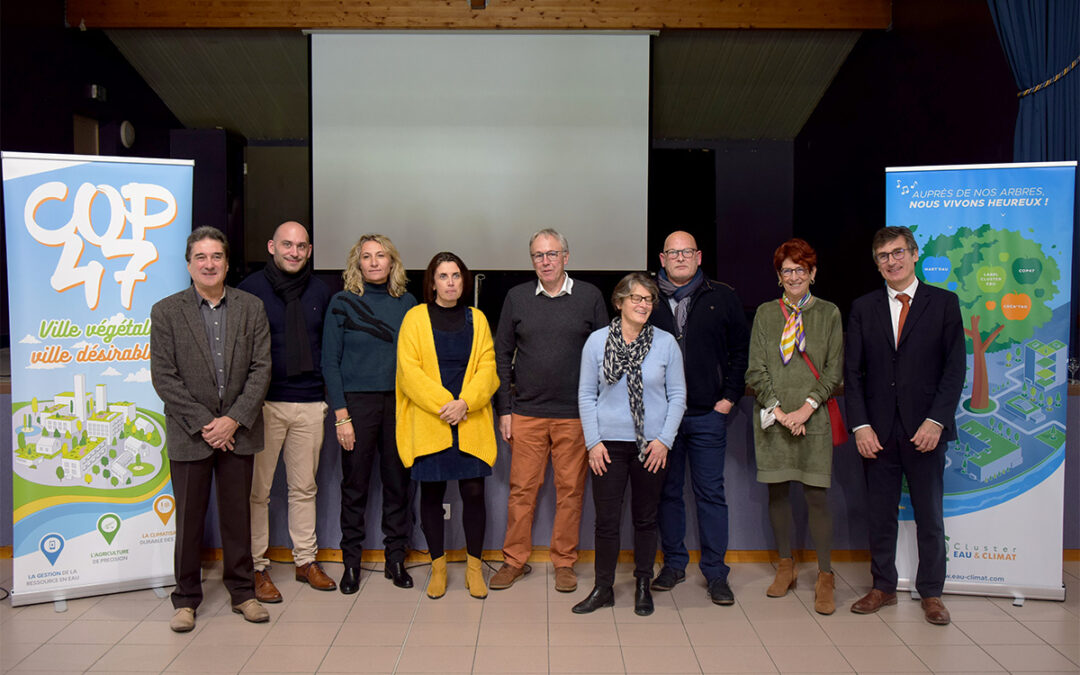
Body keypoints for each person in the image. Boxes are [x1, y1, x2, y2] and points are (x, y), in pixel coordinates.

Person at [150, 226, 272, 633]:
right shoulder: (166, 311)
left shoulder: (251, 308)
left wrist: (232, 419)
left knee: (238, 517)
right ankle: (185, 600)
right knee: (188, 521)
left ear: (226, 261)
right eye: (200, 257)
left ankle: (243, 593)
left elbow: (261, 370)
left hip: (238, 430)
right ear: (189, 264)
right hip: (191, 434)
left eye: (216, 256)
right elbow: (164, 377)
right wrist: (208, 424)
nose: (208, 264)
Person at [844, 226, 964, 625]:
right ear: (876, 263)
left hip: (925, 430)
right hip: (877, 432)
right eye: (883, 256)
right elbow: (853, 372)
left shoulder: (944, 304)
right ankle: (883, 587)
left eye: (898, 253)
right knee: (880, 514)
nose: (891, 262)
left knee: (930, 514)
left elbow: (954, 370)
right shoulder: (864, 307)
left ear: (914, 255)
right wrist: (860, 425)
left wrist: (936, 421)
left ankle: (932, 593)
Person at [490, 229, 608, 593]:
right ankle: (513, 560)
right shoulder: (516, 297)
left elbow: (605, 356)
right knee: (521, 490)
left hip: (575, 415)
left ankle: (564, 563)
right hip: (526, 412)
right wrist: (505, 409)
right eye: (538, 255)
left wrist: (597, 415)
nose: (545, 261)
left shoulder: (589, 296)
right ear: (532, 261)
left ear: (566, 258)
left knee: (570, 491)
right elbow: (501, 355)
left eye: (552, 254)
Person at [574, 273, 686, 616]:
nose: (643, 305)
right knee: (606, 521)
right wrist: (593, 442)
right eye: (636, 298)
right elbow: (586, 394)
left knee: (645, 519)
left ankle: (642, 584)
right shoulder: (596, 342)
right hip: (606, 445)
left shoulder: (666, 343)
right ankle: (603, 588)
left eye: (649, 299)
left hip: (651, 447)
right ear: (620, 301)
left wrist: (664, 441)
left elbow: (678, 396)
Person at [650, 231, 750, 605]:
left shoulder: (721, 296)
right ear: (662, 258)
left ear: (698, 255)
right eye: (673, 252)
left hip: (709, 414)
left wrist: (729, 397)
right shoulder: (646, 299)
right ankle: (674, 564)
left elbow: (741, 351)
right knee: (667, 493)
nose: (679, 258)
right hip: (662, 421)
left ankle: (716, 573)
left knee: (711, 494)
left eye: (686, 251)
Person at [745, 238, 843, 615]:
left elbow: (834, 369)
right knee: (778, 494)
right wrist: (781, 411)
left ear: (813, 273)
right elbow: (756, 367)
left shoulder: (829, 313)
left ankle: (825, 575)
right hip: (773, 420)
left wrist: (805, 409)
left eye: (801, 270)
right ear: (779, 277)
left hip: (813, 419)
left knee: (817, 496)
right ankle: (785, 565)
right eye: (787, 270)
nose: (794, 276)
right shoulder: (767, 314)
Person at [239, 221, 336, 602]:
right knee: (257, 492)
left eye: (300, 246)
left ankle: (305, 561)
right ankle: (257, 567)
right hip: (264, 404)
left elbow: (327, 348)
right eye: (286, 245)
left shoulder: (321, 291)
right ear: (271, 246)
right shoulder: (249, 290)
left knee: (304, 488)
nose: (294, 252)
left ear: (309, 251)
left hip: (311, 403)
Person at [396, 252, 499, 600]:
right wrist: (445, 406)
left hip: (470, 419)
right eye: (443, 276)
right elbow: (409, 373)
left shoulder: (478, 319)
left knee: (473, 495)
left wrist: (465, 403)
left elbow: (488, 368)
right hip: (430, 421)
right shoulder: (415, 318)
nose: (451, 282)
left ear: (464, 281)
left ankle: (474, 569)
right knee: (432, 495)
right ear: (432, 282)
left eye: (456, 276)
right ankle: (438, 568)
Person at [322, 234, 418, 593]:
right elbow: (330, 362)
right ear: (357, 263)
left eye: (382, 256)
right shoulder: (342, 302)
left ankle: (396, 559)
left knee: (398, 485)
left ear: (392, 262)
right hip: (357, 406)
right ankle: (351, 564)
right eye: (367, 256)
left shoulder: (407, 302)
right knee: (355, 487)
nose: (375, 262)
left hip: (399, 404)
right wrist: (342, 416)